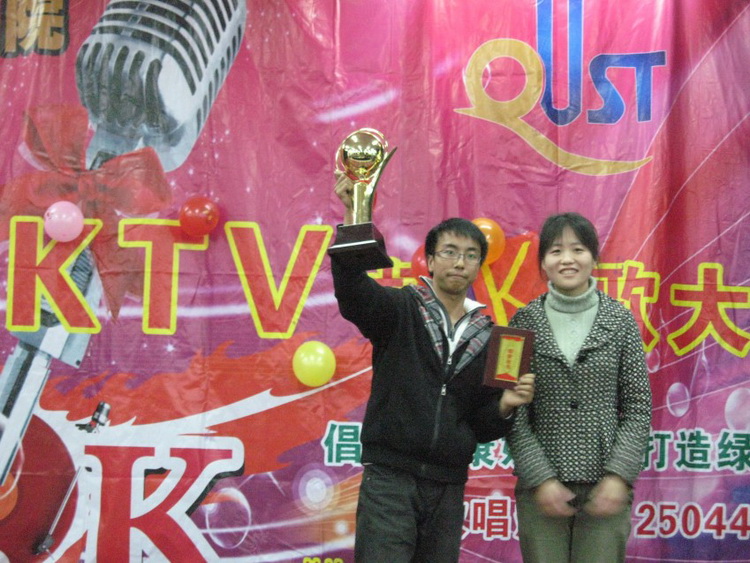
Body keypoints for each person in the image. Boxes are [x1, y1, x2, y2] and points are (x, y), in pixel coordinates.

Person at [331, 171, 535, 562]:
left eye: (470, 255)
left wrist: (505, 405)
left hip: (447, 487)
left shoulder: (491, 337)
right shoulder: (400, 309)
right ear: (430, 259)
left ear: (479, 265)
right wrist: (354, 214)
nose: (460, 262)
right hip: (390, 479)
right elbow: (353, 291)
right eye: (449, 252)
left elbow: (480, 425)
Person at [506, 212, 652, 563]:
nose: (567, 259)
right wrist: (541, 479)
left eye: (578, 249)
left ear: (594, 258)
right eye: (556, 251)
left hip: (606, 485)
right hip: (540, 489)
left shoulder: (621, 320)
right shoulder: (519, 323)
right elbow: (511, 412)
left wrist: (618, 477)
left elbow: (638, 407)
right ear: (543, 262)